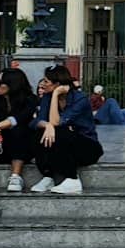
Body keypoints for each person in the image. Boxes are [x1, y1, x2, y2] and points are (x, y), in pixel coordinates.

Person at [30, 64, 103, 195]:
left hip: (87, 147)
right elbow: (37, 121)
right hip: (64, 146)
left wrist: (56, 94)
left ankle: (73, 180)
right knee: (40, 132)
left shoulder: (80, 98)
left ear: (57, 84)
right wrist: (47, 126)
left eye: (46, 81)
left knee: (60, 132)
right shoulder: (47, 97)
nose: (42, 84)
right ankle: (48, 176)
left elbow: (57, 122)